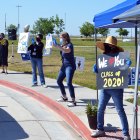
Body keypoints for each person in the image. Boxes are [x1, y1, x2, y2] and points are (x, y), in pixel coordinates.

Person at [91, 36, 131, 140]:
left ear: (115, 47)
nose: (109, 47)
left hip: (116, 88)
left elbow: (124, 70)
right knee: (100, 109)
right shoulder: (103, 57)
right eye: (108, 45)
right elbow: (98, 72)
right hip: (104, 87)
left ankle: (126, 134)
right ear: (105, 46)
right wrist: (96, 68)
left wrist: (126, 65)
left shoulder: (120, 57)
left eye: (111, 45)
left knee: (120, 110)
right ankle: (100, 129)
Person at [53, 32, 76, 107]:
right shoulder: (63, 45)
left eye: (61, 37)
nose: (60, 39)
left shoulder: (70, 45)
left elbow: (67, 50)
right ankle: (64, 97)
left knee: (69, 82)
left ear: (65, 38)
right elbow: (62, 50)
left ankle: (73, 101)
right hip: (64, 66)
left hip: (70, 66)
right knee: (59, 81)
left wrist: (58, 46)